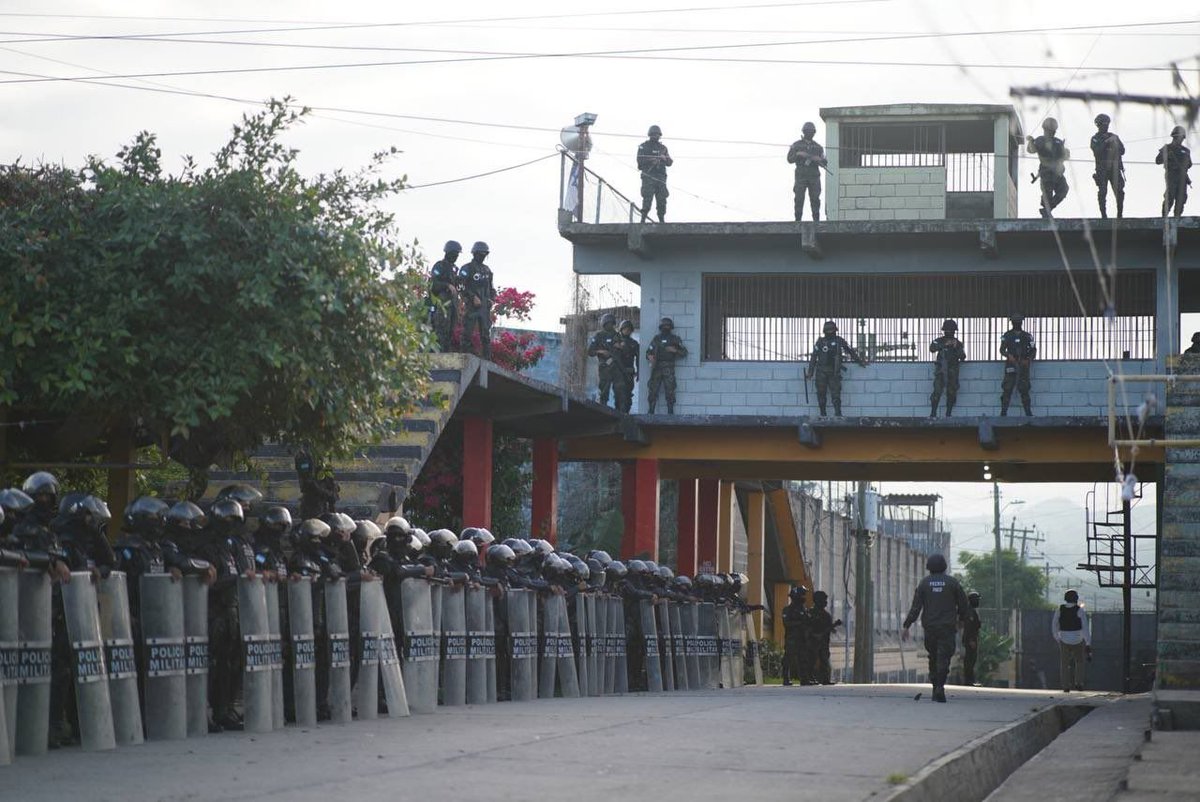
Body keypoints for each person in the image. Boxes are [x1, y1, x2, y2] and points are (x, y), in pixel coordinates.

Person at [902, 553, 970, 703]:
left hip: (930, 628)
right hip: (947, 628)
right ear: (944, 567)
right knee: (944, 658)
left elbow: (916, 607)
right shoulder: (953, 583)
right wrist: (961, 620)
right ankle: (940, 686)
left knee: (933, 657)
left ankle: (935, 687)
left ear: (929, 567)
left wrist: (907, 625)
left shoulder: (924, 584)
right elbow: (964, 605)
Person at [805, 320, 867, 418]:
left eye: (831, 330)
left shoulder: (839, 341)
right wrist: (810, 373)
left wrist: (859, 361)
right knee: (821, 393)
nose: (830, 332)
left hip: (834, 371)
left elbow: (849, 351)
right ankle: (823, 414)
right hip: (821, 371)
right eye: (828, 331)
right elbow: (813, 357)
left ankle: (838, 414)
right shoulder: (820, 342)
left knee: (836, 395)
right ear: (825, 331)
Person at [1026, 118, 1070, 218]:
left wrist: (1066, 153)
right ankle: (1046, 212)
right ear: (1045, 129)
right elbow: (1031, 150)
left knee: (1064, 189)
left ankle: (1047, 210)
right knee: (1047, 194)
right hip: (1047, 174)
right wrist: (1031, 141)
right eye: (1050, 130)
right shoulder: (1040, 140)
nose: (1052, 133)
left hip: (1057, 173)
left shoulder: (1058, 142)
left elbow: (1064, 156)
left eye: (1053, 131)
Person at [458, 241, 495, 359]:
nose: (482, 256)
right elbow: (460, 286)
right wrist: (472, 296)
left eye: (485, 254)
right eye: (480, 254)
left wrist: (492, 300)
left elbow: (491, 287)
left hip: (484, 306)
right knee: (467, 332)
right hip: (472, 305)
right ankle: (465, 356)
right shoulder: (466, 268)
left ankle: (487, 358)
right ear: (474, 253)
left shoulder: (487, 270)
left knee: (485, 334)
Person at [646, 317, 688, 414]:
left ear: (671, 327)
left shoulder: (675, 339)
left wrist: (675, 350)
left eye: (668, 326)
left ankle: (670, 412)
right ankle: (651, 411)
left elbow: (684, 352)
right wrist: (650, 357)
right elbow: (648, 352)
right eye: (664, 326)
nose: (666, 327)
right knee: (653, 390)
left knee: (670, 390)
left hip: (669, 368)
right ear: (661, 327)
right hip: (656, 367)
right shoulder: (656, 339)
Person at [1052, 589, 1091, 692]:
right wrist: (1088, 642)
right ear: (1076, 599)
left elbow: (1054, 625)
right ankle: (1079, 683)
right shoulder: (1079, 610)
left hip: (1063, 639)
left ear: (1066, 598)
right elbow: (1085, 627)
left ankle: (1066, 686)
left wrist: (1058, 638)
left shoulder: (1060, 609)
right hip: (1078, 639)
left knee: (1064, 664)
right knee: (1080, 662)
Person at [787, 122, 827, 222]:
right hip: (801, 175)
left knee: (815, 199)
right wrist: (799, 154)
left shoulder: (818, 147)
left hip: (814, 176)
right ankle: (798, 220)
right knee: (799, 198)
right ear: (804, 132)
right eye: (807, 131)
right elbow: (789, 159)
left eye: (811, 132)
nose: (809, 133)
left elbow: (824, 162)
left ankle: (816, 221)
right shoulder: (796, 145)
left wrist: (818, 160)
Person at [427, 240, 462, 351]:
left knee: (450, 331)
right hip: (442, 303)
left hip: (453, 304)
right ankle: (437, 353)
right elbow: (432, 285)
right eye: (454, 254)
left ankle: (445, 353)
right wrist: (447, 285)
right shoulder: (439, 266)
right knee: (440, 329)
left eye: (457, 254)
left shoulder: (455, 269)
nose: (456, 256)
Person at [1090, 113, 1125, 219]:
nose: (1106, 126)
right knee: (1102, 192)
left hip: (1114, 168)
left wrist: (1115, 143)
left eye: (1107, 124)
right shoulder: (1095, 138)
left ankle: (1119, 214)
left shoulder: (1114, 136)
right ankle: (1103, 215)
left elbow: (1122, 151)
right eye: (1104, 124)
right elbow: (1097, 151)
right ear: (1099, 125)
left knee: (1120, 192)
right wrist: (1106, 142)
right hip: (1102, 169)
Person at [999, 314, 1036, 416]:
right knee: (1007, 389)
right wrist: (1008, 355)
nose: (1017, 324)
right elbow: (1002, 350)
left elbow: (1033, 350)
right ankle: (1003, 413)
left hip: (1023, 365)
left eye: (1018, 322)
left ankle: (1028, 413)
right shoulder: (1007, 335)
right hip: (1011, 365)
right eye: (1015, 322)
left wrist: (1028, 359)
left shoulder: (1027, 336)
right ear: (1012, 322)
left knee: (1024, 389)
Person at [929, 319, 966, 418]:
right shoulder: (939, 340)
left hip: (952, 372)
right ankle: (933, 414)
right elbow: (932, 348)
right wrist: (944, 345)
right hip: (941, 371)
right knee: (937, 392)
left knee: (951, 393)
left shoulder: (957, 343)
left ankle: (948, 414)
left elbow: (963, 357)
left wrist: (955, 347)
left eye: (951, 330)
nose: (949, 332)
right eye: (947, 330)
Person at [637, 125, 672, 223]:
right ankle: (643, 219)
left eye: (657, 134)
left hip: (660, 177)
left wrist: (664, 159)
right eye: (654, 134)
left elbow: (670, 162)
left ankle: (661, 220)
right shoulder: (644, 146)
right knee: (647, 198)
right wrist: (652, 160)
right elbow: (640, 161)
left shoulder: (663, 148)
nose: (655, 136)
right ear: (650, 135)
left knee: (662, 200)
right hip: (648, 176)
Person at [1157, 126, 1192, 218]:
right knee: (1170, 195)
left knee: (1181, 197)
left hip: (1182, 176)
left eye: (1182, 138)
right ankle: (1164, 217)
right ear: (1174, 137)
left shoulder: (1186, 151)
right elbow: (1158, 160)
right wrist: (1167, 156)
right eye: (1180, 137)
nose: (1181, 140)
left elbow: (1189, 164)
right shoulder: (1167, 148)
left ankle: (1177, 217)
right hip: (1172, 174)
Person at [588, 312, 620, 408]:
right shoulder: (599, 336)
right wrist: (601, 352)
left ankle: (620, 411)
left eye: (611, 323)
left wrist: (621, 347)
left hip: (617, 366)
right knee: (604, 389)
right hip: (604, 366)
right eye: (608, 323)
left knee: (619, 390)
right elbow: (590, 352)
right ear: (604, 324)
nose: (610, 325)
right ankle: (603, 406)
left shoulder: (617, 335)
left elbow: (625, 350)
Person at [807, 590, 840, 685]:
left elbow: (829, 628)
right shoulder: (811, 612)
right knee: (811, 660)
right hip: (812, 641)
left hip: (824, 642)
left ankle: (825, 679)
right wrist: (813, 635)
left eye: (825, 600)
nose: (825, 602)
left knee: (824, 660)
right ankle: (809, 678)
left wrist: (832, 627)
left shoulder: (826, 615)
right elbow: (807, 626)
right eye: (823, 600)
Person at [295, 449, 339, 520]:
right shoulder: (304, 455)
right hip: (312, 505)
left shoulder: (325, 455)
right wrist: (326, 493)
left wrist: (333, 492)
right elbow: (307, 482)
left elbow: (329, 477)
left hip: (325, 504)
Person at [780, 586, 810, 686]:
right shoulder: (787, 610)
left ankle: (804, 679)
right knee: (788, 659)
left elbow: (808, 623)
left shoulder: (804, 610)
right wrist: (800, 623)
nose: (803, 597)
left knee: (804, 659)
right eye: (802, 595)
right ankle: (786, 678)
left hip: (802, 638)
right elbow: (787, 623)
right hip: (792, 639)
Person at [613, 319, 639, 414]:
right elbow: (613, 356)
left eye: (629, 329)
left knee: (628, 395)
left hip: (629, 373)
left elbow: (638, 358)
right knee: (619, 395)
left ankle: (626, 416)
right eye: (625, 329)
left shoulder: (634, 344)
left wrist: (639, 372)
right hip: (618, 373)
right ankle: (618, 416)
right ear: (621, 329)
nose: (627, 331)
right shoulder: (616, 342)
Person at [961, 590, 982, 686]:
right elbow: (969, 627)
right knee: (969, 660)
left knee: (972, 660)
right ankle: (968, 680)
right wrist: (971, 640)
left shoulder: (971, 611)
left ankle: (970, 680)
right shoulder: (969, 612)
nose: (978, 602)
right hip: (970, 640)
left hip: (972, 639)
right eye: (977, 600)